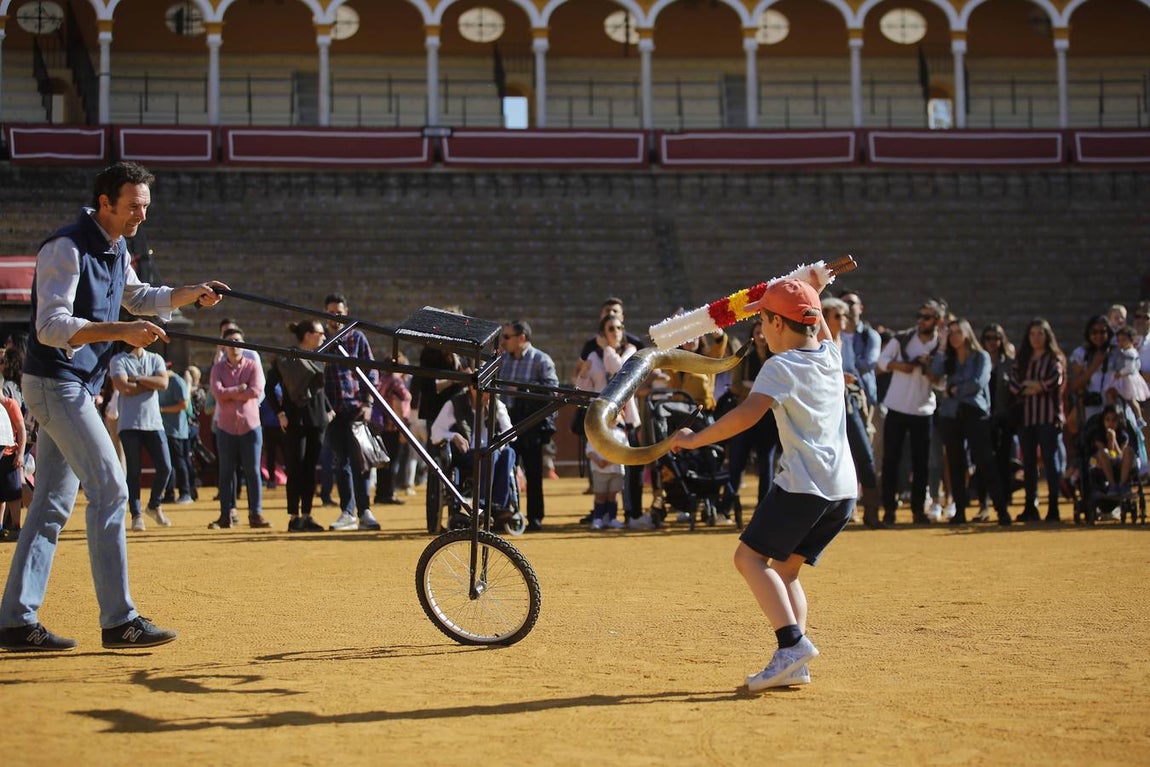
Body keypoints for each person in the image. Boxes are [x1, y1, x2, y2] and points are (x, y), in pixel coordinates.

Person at [0, 161, 226, 652]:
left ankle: (16, 620)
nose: (141, 217)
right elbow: (50, 327)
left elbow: (138, 296)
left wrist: (191, 293)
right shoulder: (66, 247)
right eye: (133, 207)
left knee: (53, 505)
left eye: (145, 207)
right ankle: (119, 619)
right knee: (110, 489)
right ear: (105, 202)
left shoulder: (116, 245)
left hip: (75, 385)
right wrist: (120, 332)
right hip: (57, 382)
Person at [669, 275, 855, 692]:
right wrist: (811, 290)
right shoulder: (829, 354)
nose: (759, 333)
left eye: (764, 321)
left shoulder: (780, 366)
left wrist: (694, 438)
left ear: (776, 324)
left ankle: (792, 646)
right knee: (786, 572)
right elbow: (817, 321)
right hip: (841, 490)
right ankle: (795, 662)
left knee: (748, 560)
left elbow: (746, 416)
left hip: (803, 486)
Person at [930, 318, 1012, 526]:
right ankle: (960, 512)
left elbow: (978, 383)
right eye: (952, 333)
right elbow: (935, 373)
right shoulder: (948, 358)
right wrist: (941, 345)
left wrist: (952, 389)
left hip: (975, 413)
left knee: (985, 461)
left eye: (958, 332)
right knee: (956, 463)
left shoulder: (981, 356)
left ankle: (1001, 510)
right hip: (950, 414)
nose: (955, 336)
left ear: (967, 333)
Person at [876, 301, 943, 525]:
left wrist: (930, 371)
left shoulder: (941, 345)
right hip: (896, 406)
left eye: (927, 317)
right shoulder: (903, 338)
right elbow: (882, 361)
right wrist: (899, 365)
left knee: (921, 462)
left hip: (923, 409)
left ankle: (918, 510)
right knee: (891, 461)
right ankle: (889, 510)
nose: (921, 320)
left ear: (937, 320)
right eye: (920, 315)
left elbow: (943, 383)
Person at [322, 293, 381, 532]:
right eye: (331, 312)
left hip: (356, 408)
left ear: (347, 313)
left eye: (339, 312)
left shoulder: (357, 337)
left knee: (361, 462)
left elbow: (372, 371)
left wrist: (368, 403)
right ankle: (347, 512)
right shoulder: (322, 339)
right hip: (333, 411)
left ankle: (365, 510)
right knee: (340, 462)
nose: (335, 316)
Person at [267, 319, 330, 532]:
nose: (323, 337)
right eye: (320, 333)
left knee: (310, 469)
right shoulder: (286, 357)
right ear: (308, 334)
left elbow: (320, 388)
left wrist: (329, 409)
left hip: (317, 418)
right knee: (295, 468)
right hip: (294, 418)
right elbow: (269, 388)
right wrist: (279, 413)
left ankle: (307, 515)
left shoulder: (321, 356)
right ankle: (294, 516)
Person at [823, 297, 880, 527]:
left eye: (844, 315)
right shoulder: (818, 343)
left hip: (848, 404)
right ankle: (829, 516)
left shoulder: (844, 342)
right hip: (826, 409)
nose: (843, 320)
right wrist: (839, 378)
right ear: (825, 317)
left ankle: (872, 514)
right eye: (838, 316)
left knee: (865, 456)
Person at [499, 320, 559, 532]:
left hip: (532, 421)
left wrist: (523, 391)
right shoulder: (502, 360)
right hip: (506, 420)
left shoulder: (541, 359)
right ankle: (504, 514)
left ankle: (535, 518)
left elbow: (551, 391)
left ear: (521, 338)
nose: (503, 342)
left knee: (533, 473)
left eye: (507, 337)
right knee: (504, 469)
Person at [209, 327, 269, 529]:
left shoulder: (253, 365)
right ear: (224, 346)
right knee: (226, 472)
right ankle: (225, 515)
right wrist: (240, 389)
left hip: (249, 425)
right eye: (230, 342)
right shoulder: (217, 368)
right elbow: (218, 393)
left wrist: (230, 393)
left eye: (238, 341)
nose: (234, 345)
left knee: (252, 471)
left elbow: (256, 391)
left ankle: (256, 514)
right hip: (226, 426)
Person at [110, 341, 174, 531]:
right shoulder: (118, 360)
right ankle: (136, 513)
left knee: (165, 467)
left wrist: (136, 378)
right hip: (129, 423)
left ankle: (153, 504)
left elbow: (163, 383)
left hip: (154, 422)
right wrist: (149, 383)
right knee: (134, 471)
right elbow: (123, 388)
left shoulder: (155, 358)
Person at [1008, 318, 1066, 523]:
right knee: (1029, 463)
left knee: (1051, 461)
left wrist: (1034, 386)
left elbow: (1054, 381)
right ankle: (1030, 506)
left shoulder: (1054, 358)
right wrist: (1035, 387)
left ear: (1047, 335)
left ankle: (1053, 506)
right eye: (1032, 334)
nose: (1036, 338)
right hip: (1026, 417)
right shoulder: (1023, 359)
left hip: (1048, 417)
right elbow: (1014, 385)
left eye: (1040, 333)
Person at [157, 363, 194, 506]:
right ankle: (169, 493)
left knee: (179, 462)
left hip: (177, 429)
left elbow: (184, 405)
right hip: (164, 428)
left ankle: (185, 492)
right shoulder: (163, 382)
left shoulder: (177, 381)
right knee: (168, 463)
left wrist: (162, 409)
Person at [586, 415, 628, 530]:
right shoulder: (596, 432)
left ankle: (612, 519)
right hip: (599, 470)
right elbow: (589, 450)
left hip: (616, 470)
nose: (614, 419)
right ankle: (598, 518)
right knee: (600, 495)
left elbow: (625, 451)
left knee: (613, 495)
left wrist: (610, 461)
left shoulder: (621, 434)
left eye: (616, 416)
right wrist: (599, 461)